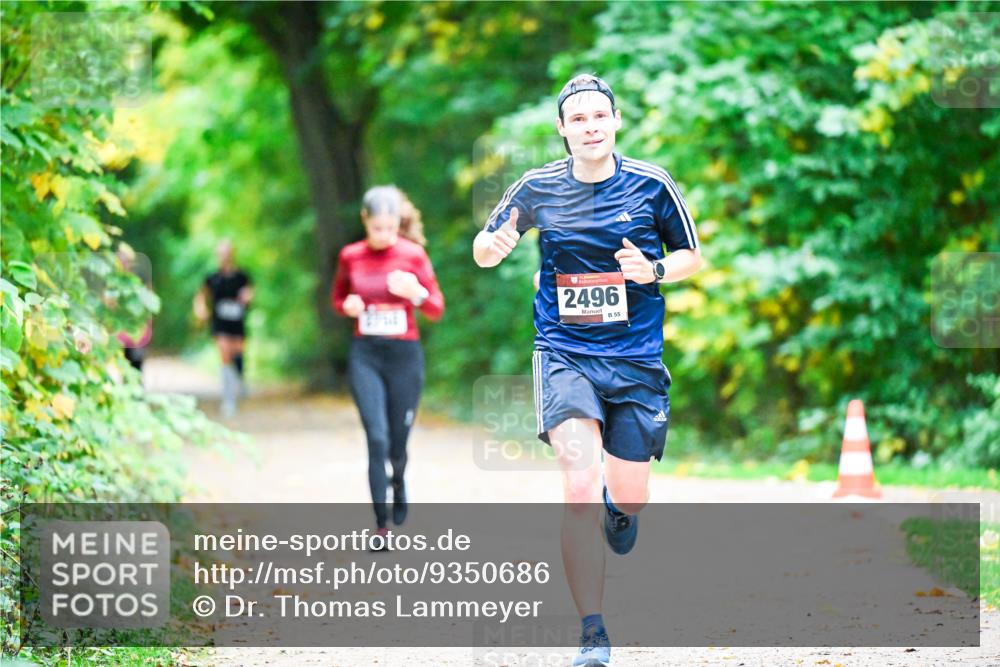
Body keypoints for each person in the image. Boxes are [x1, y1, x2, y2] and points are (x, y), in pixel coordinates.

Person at [472, 74, 703, 667]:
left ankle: (618, 509)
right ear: (562, 128)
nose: (591, 127)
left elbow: (691, 256)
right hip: (564, 352)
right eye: (578, 119)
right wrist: (492, 247)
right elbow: (485, 244)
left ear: (616, 121)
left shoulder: (653, 184)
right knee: (578, 485)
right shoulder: (537, 186)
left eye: (600, 116)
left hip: (635, 359)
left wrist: (653, 270)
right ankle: (592, 632)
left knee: (630, 497)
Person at [331, 186, 444, 546]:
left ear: (399, 222)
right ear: (365, 221)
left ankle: (399, 480)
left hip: (404, 356)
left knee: (397, 444)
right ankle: (381, 526)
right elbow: (337, 297)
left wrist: (416, 293)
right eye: (377, 228)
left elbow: (436, 308)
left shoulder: (413, 255)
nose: (384, 235)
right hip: (365, 355)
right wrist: (346, 307)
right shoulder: (350, 256)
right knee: (376, 438)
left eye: (391, 228)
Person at [193, 239, 254, 418]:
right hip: (219, 323)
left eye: (227, 253)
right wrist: (201, 309)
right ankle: (228, 400)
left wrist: (247, 297)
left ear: (232, 254)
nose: (224, 256)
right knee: (225, 354)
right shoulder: (212, 278)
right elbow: (201, 295)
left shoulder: (241, 276)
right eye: (221, 253)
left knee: (237, 356)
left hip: (237, 322)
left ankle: (239, 380)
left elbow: (250, 292)